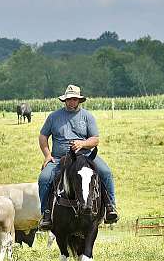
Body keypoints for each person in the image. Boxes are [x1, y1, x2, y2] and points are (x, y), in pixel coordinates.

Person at [38, 84, 119, 230]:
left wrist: (82, 144)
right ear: (65, 100)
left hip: (86, 156)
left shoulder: (87, 116)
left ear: (79, 100)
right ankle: (46, 214)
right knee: (44, 178)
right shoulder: (54, 117)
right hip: (59, 158)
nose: (71, 102)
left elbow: (95, 139)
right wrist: (47, 155)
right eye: (69, 99)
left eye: (74, 99)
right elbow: (43, 136)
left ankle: (110, 207)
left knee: (105, 172)